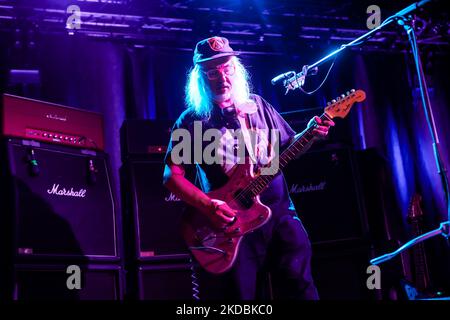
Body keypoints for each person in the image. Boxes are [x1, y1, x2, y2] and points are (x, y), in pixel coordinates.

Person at [163, 36, 334, 300]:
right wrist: (208, 206)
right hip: (231, 226)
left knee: (301, 285)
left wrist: (311, 133)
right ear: (200, 78)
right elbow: (172, 176)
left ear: (237, 70)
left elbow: (288, 148)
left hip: (279, 215)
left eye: (227, 68)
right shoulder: (192, 121)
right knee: (241, 297)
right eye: (212, 72)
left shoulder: (258, 106)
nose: (222, 78)